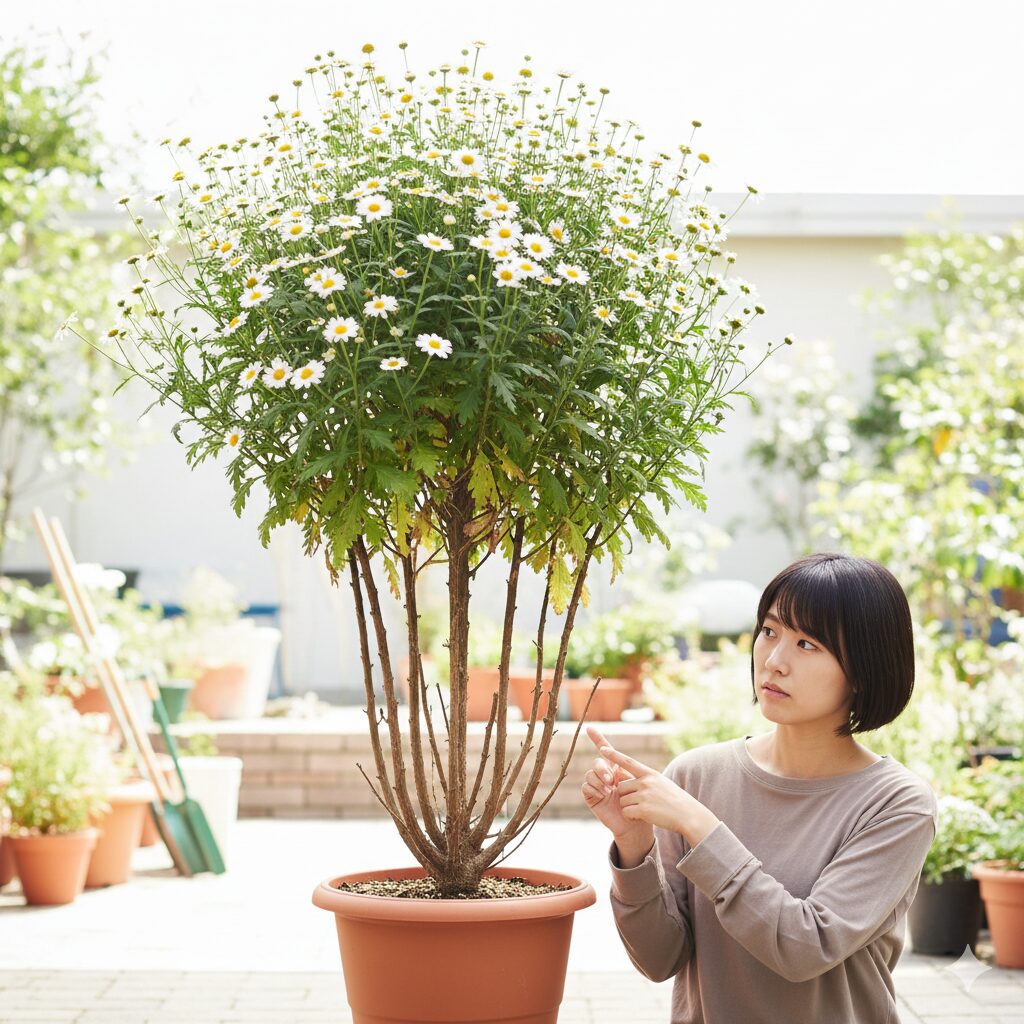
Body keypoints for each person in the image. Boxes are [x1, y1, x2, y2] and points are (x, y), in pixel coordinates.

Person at [582, 553, 938, 1024]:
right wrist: (634, 846)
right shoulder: (696, 775)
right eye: (769, 632)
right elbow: (659, 959)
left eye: (808, 644)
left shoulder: (897, 804)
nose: (774, 660)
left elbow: (804, 947)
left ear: (865, 666)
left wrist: (700, 826)